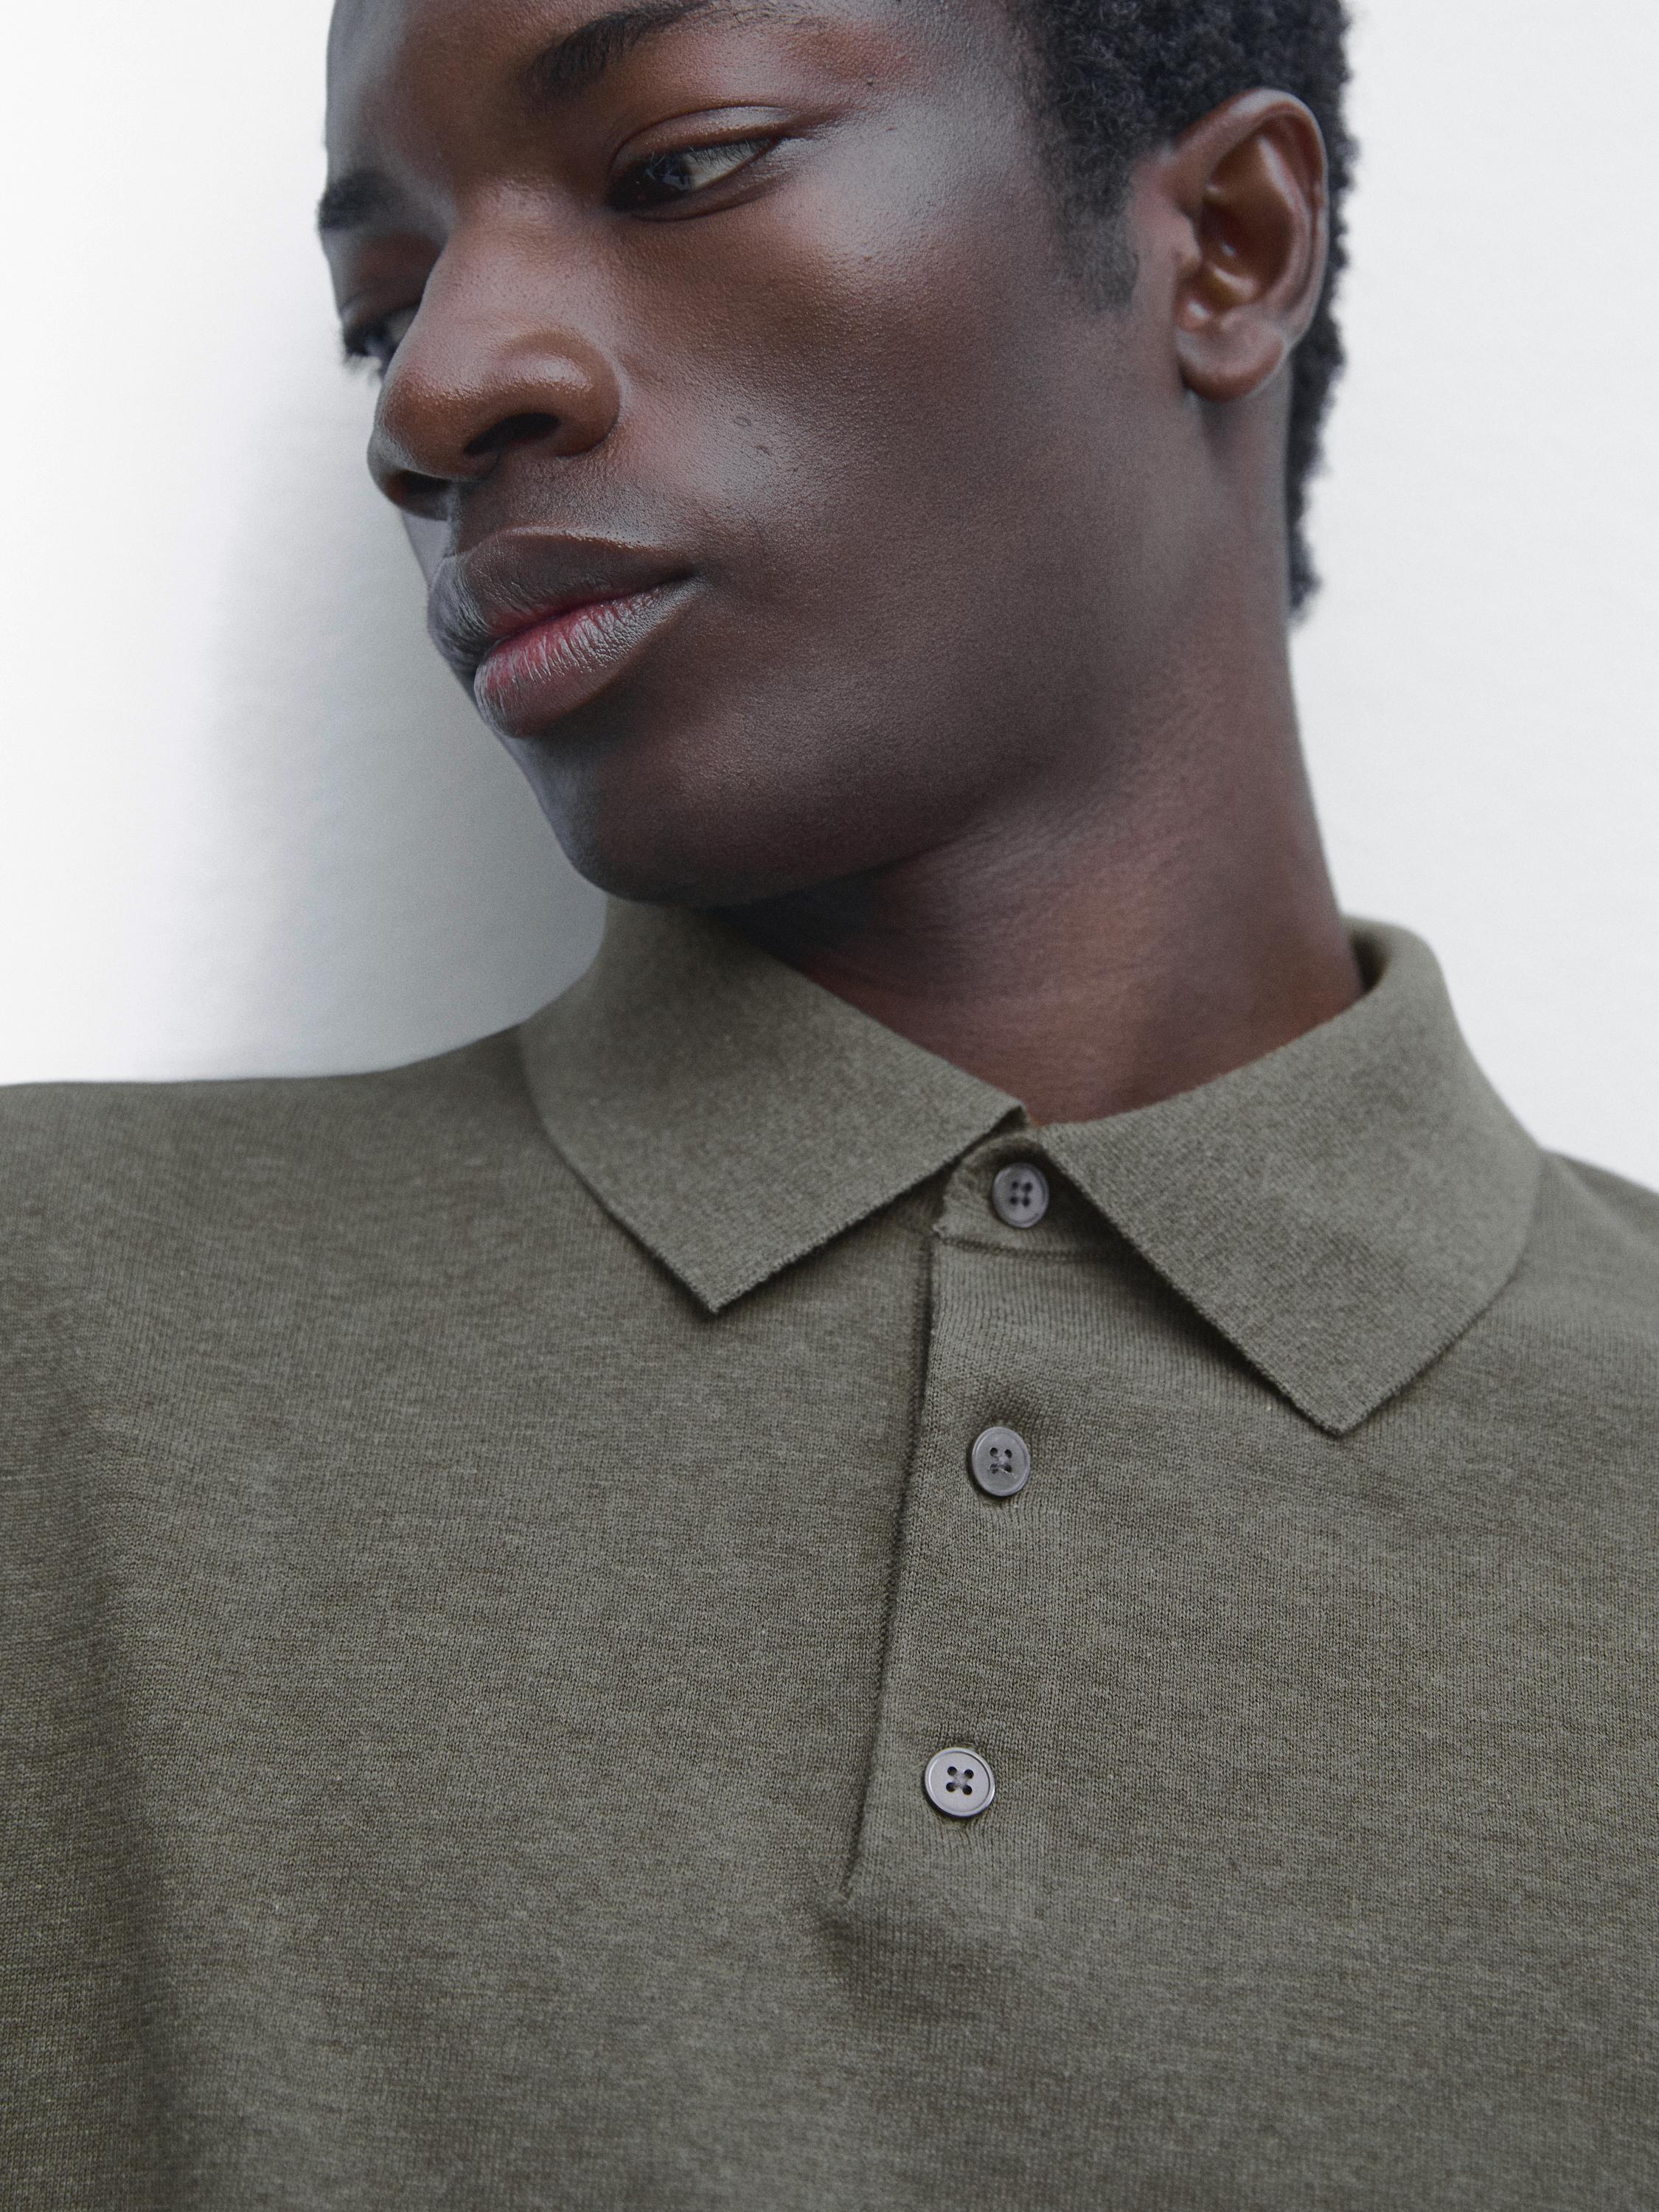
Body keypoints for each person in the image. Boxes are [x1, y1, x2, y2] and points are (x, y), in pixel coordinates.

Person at [5, 0, 1656, 2202]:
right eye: (379, 312)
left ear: (1230, 245)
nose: (432, 395)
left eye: (677, 166)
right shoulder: (54, 1338)